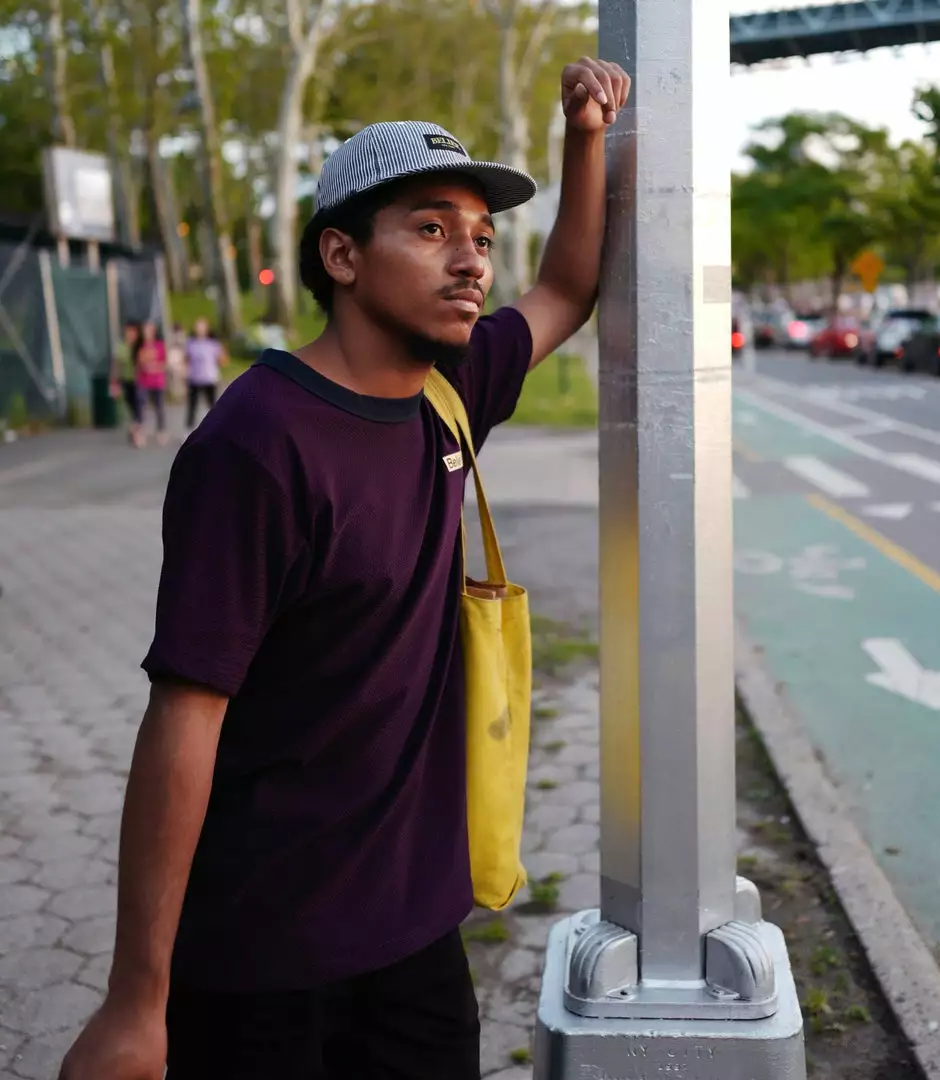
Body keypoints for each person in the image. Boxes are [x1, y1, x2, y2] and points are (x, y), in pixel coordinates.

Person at [59, 55, 628, 1080]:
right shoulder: (256, 445)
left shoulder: (449, 393)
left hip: (414, 929)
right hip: (266, 954)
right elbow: (186, 712)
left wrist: (584, 137)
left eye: (482, 237)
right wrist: (135, 1002)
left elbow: (569, 286)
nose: (472, 262)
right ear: (343, 254)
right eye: (430, 228)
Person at [184, 317, 226, 429]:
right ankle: (189, 429)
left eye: (202, 327)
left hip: (209, 378)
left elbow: (222, 360)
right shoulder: (191, 343)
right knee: (192, 406)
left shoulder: (213, 343)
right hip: (195, 378)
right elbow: (186, 359)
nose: (199, 329)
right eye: (198, 326)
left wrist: (221, 354)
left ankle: (215, 429)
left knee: (212, 406)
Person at [135, 321, 169, 447]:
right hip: (143, 381)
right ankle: (140, 434)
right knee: (140, 406)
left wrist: (155, 367)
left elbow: (165, 364)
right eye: (145, 330)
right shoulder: (140, 346)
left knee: (159, 406)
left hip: (157, 381)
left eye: (149, 330)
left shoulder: (159, 346)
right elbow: (137, 364)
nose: (147, 333)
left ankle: (161, 431)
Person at [110, 320, 143, 445]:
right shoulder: (121, 346)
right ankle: (135, 428)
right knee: (129, 406)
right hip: (126, 379)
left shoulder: (139, 346)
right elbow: (116, 364)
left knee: (138, 406)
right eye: (128, 331)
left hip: (139, 381)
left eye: (132, 332)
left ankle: (137, 433)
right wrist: (114, 381)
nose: (130, 334)